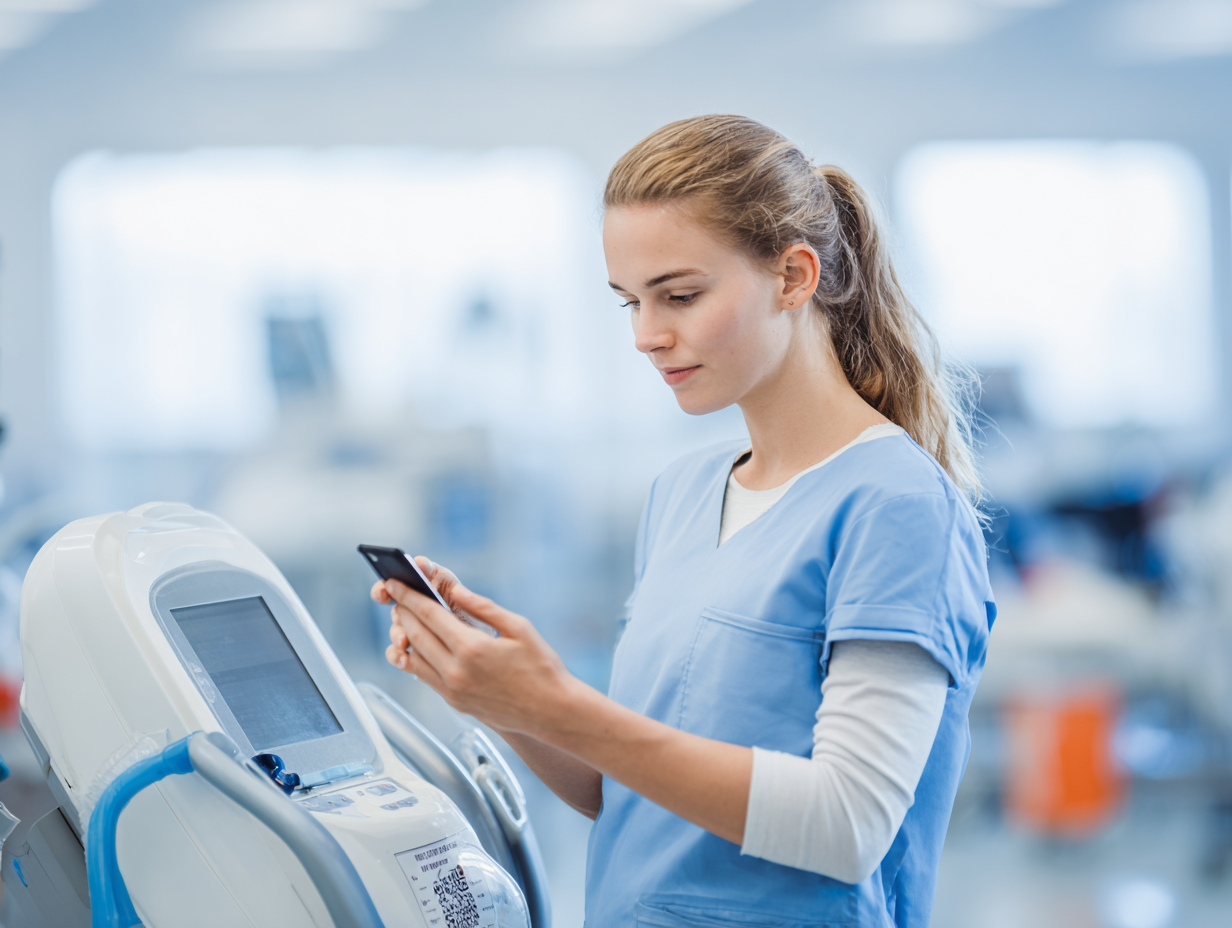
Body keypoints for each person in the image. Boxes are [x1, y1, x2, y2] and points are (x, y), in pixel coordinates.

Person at [372, 115, 994, 928]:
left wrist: (564, 705)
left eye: (680, 296)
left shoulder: (895, 506)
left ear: (794, 277)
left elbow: (848, 824)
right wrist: (499, 693)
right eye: (630, 302)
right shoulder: (683, 494)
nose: (645, 335)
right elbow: (625, 792)